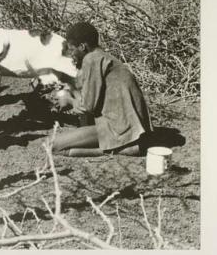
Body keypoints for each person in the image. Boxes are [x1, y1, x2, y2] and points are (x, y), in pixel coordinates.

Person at [54, 22, 152, 157]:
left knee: (53, 146)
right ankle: (122, 147)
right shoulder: (104, 57)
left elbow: (88, 107)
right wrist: (71, 87)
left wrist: (68, 100)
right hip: (134, 128)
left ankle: (119, 149)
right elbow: (93, 98)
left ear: (82, 46)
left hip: (119, 129)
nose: (72, 55)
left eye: (72, 49)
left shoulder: (91, 59)